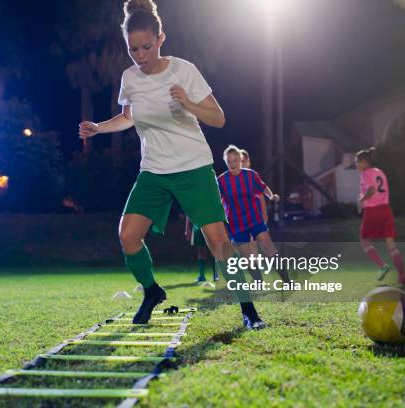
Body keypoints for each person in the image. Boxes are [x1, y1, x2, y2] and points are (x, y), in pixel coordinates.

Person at [78, 0, 265, 329]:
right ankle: (152, 291)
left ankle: (248, 310)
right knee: (128, 236)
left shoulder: (183, 70)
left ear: (161, 39)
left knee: (218, 241)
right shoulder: (129, 78)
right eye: (133, 48)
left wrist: (189, 103)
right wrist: (99, 127)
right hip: (154, 171)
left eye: (146, 47)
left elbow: (219, 119)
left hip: (193, 167)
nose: (140, 54)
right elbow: (127, 118)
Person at [217, 146, 290, 284]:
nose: (232, 164)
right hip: (236, 224)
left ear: (240, 160)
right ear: (226, 162)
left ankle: (287, 281)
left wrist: (271, 196)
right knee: (248, 258)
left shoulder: (251, 175)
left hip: (254, 219)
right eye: (229, 161)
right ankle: (258, 282)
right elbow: (217, 201)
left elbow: (263, 187)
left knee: (269, 249)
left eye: (235, 160)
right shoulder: (221, 181)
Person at [356, 147, 405, 285]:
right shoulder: (380, 172)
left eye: (357, 162)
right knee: (391, 243)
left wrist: (362, 200)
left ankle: (382, 266)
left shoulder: (366, 173)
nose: (356, 165)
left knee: (364, 240)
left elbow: (372, 189)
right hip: (386, 210)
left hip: (373, 211)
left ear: (364, 162)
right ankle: (403, 274)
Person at [185, 216, 218, 282]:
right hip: (198, 225)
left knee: (213, 250)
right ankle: (202, 276)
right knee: (201, 250)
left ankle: (216, 275)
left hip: (210, 224)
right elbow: (189, 211)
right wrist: (187, 228)